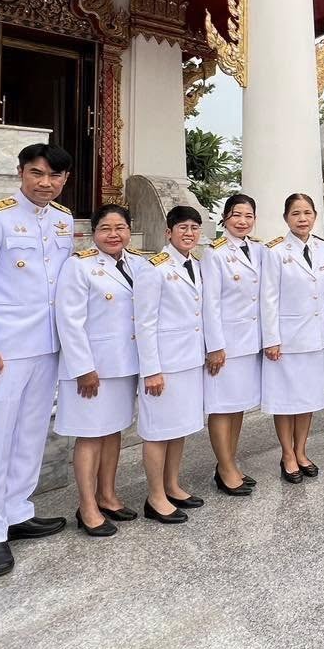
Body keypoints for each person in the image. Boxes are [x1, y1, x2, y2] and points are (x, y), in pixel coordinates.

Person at [0, 143, 75, 578]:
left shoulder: (62, 220)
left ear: (64, 179)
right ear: (21, 173)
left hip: (46, 345)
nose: (45, 183)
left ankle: (16, 510)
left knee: (29, 433)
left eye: (55, 176)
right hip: (2, 349)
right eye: (37, 173)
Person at [54, 206, 156, 534]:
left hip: (124, 364)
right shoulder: (79, 266)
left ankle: (108, 495)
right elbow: (69, 321)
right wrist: (83, 368)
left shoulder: (139, 263)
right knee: (90, 437)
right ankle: (87, 507)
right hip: (92, 369)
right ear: (93, 233)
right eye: (106, 228)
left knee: (113, 432)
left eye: (121, 227)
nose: (114, 234)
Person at [136, 205, 223, 522]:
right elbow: (144, 324)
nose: (189, 233)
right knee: (158, 430)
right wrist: (152, 370)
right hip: (165, 365)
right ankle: (155, 496)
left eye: (194, 227)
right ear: (167, 232)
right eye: (182, 227)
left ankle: (172, 484)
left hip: (189, 361)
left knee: (178, 428)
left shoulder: (195, 266)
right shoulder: (154, 269)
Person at [262, 193, 324, 482]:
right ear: (286, 218)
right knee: (286, 400)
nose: (302, 219)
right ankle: (287, 454)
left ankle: (302, 450)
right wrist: (271, 339)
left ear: (315, 216)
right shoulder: (275, 252)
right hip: (287, 340)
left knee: (308, 399)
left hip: (316, 338)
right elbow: (268, 298)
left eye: (307, 213)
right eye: (295, 214)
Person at [205, 193, 265, 495]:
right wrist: (215, 346)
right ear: (225, 217)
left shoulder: (258, 249)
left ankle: (229, 462)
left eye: (248, 216)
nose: (242, 221)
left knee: (238, 405)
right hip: (226, 344)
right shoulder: (214, 252)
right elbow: (210, 304)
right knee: (221, 406)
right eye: (236, 215)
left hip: (249, 342)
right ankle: (225, 467)